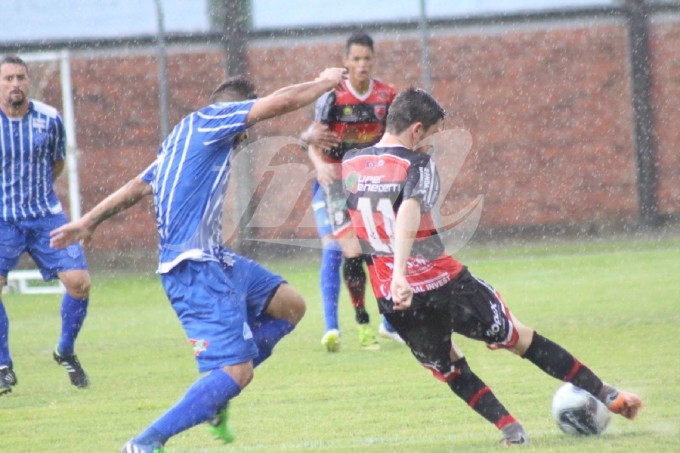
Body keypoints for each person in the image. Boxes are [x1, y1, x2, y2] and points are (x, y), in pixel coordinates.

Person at [50, 67, 347, 452]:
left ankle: (214, 394)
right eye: (247, 127)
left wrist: (89, 220)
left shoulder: (182, 136)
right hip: (193, 268)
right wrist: (325, 81)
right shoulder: (215, 120)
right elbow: (283, 101)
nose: (246, 138)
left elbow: (139, 185)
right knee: (238, 372)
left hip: (215, 259)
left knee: (290, 306)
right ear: (239, 116)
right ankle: (145, 442)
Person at [341, 87, 643, 445]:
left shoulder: (353, 162)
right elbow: (408, 210)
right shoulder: (417, 164)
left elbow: (349, 236)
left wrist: (387, 279)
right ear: (416, 129)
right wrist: (403, 273)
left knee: (449, 366)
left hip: (393, 298)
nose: (431, 145)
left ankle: (510, 429)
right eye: (432, 135)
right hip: (442, 284)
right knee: (517, 337)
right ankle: (605, 393)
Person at [301, 31, 402, 352]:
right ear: (345, 62)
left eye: (366, 58)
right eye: (355, 59)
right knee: (341, 252)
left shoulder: (387, 96)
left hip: (372, 184)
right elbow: (311, 139)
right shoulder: (332, 96)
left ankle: (388, 323)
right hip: (334, 184)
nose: (361, 65)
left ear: (374, 61)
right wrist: (319, 164)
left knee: (383, 252)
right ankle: (336, 327)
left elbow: (397, 138)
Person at [0, 55, 91, 395]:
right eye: (8, 78)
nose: (15, 84)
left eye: (20, 77)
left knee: (79, 283)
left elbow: (58, 162)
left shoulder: (49, 119)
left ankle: (65, 349)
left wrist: (34, 194)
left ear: (28, 80)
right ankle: (3, 366)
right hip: (2, 219)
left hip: (45, 216)